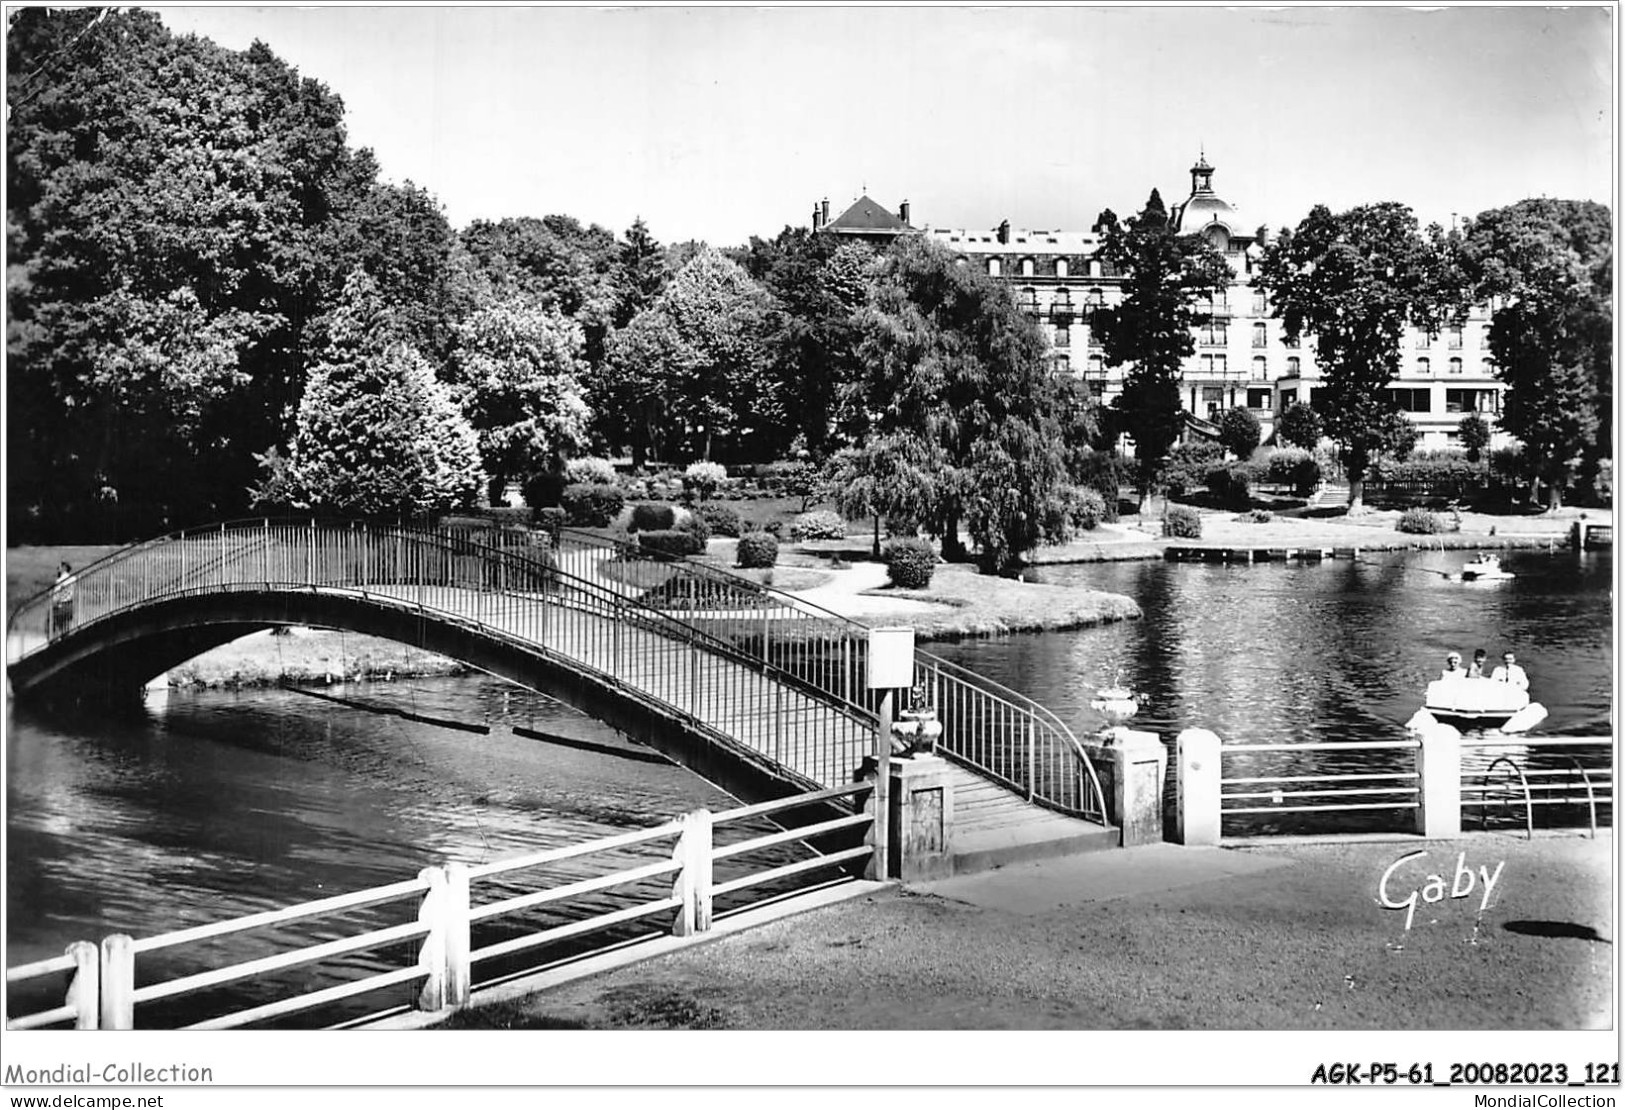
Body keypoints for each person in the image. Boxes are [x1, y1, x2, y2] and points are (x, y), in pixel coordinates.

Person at [49, 562, 75, 638]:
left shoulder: (59, 580)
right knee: (67, 627)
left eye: (59, 568)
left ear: (64, 568)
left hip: (61, 606)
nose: (58, 569)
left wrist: (54, 604)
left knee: (59, 627)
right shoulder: (73, 578)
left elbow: (56, 597)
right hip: (70, 605)